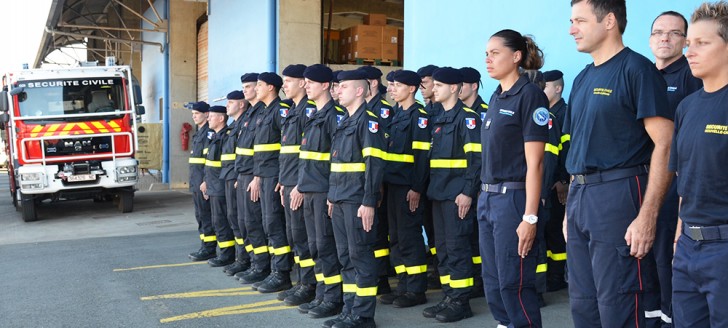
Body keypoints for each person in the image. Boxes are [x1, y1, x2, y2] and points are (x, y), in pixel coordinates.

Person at [565, 1, 673, 327]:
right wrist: (572, 210)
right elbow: (580, 149)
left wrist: (648, 215)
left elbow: (666, 143)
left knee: (619, 307)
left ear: (609, 20)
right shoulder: (583, 78)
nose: (572, 29)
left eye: (580, 21)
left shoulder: (636, 70)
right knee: (584, 305)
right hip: (582, 198)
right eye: (572, 21)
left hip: (620, 195)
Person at [478, 30, 548, 327]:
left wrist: (529, 218)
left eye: (495, 53)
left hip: (513, 200)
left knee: (514, 281)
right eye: (486, 53)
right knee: (492, 281)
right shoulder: (496, 96)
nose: (488, 59)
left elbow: (536, 164)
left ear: (516, 56)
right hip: (488, 198)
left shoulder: (530, 95)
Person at [670, 3, 728, 327]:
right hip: (688, 247)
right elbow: (685, 180)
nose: (689, 51)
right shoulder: (686, 107)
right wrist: (680, 237)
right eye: (689, 43)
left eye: (702, 43)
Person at [647, 11, 703, 327]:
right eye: (658, 32)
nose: (665, 38)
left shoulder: (691, 76)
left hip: (675, 187)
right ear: (650, 38)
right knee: (646, 263)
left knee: (667, 261)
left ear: (685, 40)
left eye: (674, 33)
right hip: (643, 183)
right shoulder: (643, 75)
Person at [327, 69, 386, 328]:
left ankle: (363, 317)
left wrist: (369, 201)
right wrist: (331, 196)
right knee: (345, 257)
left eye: (344, 87)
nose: (338, 91)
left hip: (357, 201)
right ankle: (349, 310)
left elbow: (374, 165)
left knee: (360, 256)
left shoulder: (368, 121)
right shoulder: (345, 121)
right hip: (339, 199)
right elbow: (337, 163)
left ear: (360, 91)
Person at [422, 67, 481, 323]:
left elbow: (476, 159)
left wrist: (467, 192)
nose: (434, 89)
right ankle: (449, 295)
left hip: (457, 196)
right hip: (438, 194)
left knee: (457, 248)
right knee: (443, 249)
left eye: (440, 86)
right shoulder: (439, 119)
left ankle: (461, 300)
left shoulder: (467, 118)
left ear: (455, 88)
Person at [297, 64, 346, 322]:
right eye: (304, 82)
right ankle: (321, 292)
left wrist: (331, 194)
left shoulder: (333, 117)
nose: (306, 86)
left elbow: (337, 161)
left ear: (325, 85)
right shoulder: (314, 116)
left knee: (326, 246)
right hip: (308, 189)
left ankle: (333, 298)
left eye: (310, 82)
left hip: (323, 191)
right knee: (315, 245)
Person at [378, 70, 431, 308]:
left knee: (410, 237)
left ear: (412, 89)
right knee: (396, 237)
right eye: (391, 85)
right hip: (392, 184)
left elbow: (421, 155)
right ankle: (403, 285)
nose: (391, 89)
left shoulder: (418, 116)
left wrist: (417, 188)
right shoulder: (397, 114)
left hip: (408, 187)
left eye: (397, 85)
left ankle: (416, 289)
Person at [277, 64, 317, 306]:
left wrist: (300, 186)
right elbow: (288, 153)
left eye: (289, 81)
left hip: (300, 186)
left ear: (303, 83)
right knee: (295, 237)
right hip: (290, 182)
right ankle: (303, 282)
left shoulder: (309, 111)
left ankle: (310, 285)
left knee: (305, 238)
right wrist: (283, 181)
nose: (285, 85)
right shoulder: (293, 110)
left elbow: (308, 155)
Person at [249, 72, 294, 293]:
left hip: (275, 177)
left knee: (275, 225)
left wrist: (281, 177)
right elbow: (260, 151)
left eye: (259, 85)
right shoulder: (263, 112)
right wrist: (257, 176)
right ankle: (274, 270)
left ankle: (282, 273)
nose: (256, 88)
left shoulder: (281, 110)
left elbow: (287, 147)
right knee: (268, 224)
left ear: (270, 88)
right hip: (264, 175)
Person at [358, 65, 394, 296]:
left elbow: (381, 151)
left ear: (370, 84)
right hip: (362, 183)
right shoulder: (363, 109)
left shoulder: (382, 110)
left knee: (377, 232)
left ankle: (381, 278)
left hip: (379, 181)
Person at [235, 73, 271, 284]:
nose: (248, 90)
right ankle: (253, 262)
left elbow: (265, 151)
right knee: (246, 222)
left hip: (258, 174)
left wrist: (256, 176)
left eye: (252, 86)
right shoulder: (251, 114)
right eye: (247, 87)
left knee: (258, 223)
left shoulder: (265, 113)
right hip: (246, 173)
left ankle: (262, 266)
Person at [458, 66, 487, 300]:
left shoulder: (484, 112)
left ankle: (480, 279)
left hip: (481, 186)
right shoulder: (458, 113)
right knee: (465, 236)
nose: (458, 89)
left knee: (478, 236)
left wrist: (477, 187)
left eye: (463, 85)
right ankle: (473, 279)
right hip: (462, 185)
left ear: (474, 86)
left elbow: (485, 154)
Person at [541, 70, 570, 293]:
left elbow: (567, 151)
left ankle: (557, 276)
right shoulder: (543, 114)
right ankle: (552, 274)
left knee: (556, 231)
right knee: (547, 230)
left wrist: (563, 180)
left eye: (546, 86)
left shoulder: (565, 113)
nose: (542, 90)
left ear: (558, 89)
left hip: (557, 183)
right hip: (544, 182)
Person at [416, 63, 442, 290]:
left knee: (439, 230)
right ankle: (436, 266)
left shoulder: (445, 110)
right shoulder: (425, 111)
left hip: (442, 182)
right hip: (426, 180)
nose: (422, 88)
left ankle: (440, 269)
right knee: (429, 226)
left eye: (425, 84)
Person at [219, 91, 251, 275]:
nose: (227, 106)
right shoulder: (234, 126)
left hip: (237, 177)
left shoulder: (244, 124)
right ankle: (241, 258)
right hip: (230, 176)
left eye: (231, 102)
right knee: (235, 219)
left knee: (242, 220)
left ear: (241, 105)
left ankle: (245, 259)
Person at [200, 105, 236, 267]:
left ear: (221, 118)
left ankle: (227, 255)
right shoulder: (215, 137)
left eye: (212, 116)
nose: (208, 119)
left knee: (222, 221)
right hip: (213, 185)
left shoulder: (226, 137)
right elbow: (210, 164)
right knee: (217, 221)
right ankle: (223, 253)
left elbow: (226, 165)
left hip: (221, 186)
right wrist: (206, 182)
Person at [187, 101, 216, 262]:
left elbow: (208, 160)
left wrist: (205, 181)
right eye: (193, 114)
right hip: (195, 181)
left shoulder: (208, 134)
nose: (194, 117)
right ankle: (204, 244)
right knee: (200, 215)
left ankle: (209, 248)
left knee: (206, 216)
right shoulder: (198, 134)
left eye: (196, 114)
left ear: (206, 114)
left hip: (202, 182)